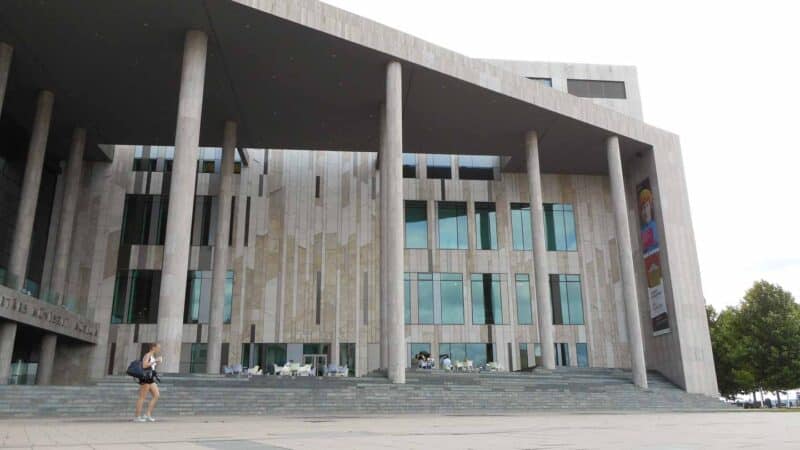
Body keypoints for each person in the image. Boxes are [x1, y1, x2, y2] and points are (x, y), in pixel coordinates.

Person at [134, 342, 162, 422]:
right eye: (158, 347)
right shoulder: (147, 355)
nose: (159, 349)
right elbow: (144, 365)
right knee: (142, 397)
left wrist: (156, 362)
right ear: (153, 347)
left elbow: (150, 366)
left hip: (150, 378)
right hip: (145, 378)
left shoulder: (152, 356)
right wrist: (155, 360)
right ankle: (137, 416)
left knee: (156, 395)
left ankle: (147, 414)